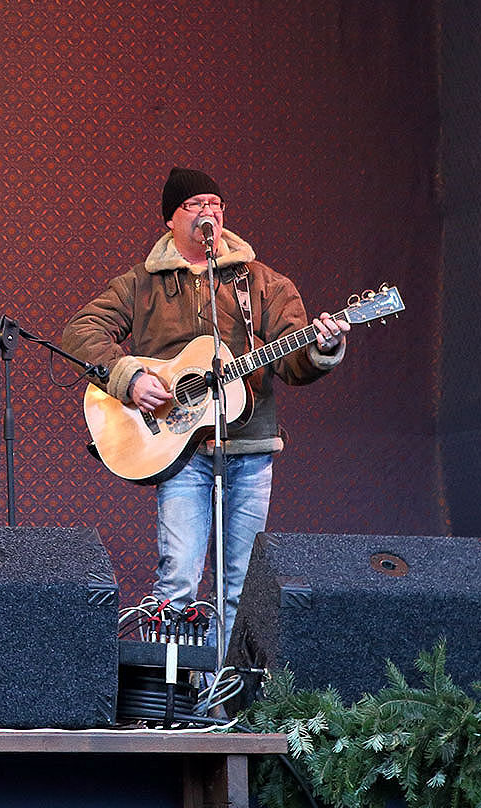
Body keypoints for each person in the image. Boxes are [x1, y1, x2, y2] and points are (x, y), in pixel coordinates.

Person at [60, 167, 349, 640]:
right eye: (196, 205)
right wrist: (129, 377)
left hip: (250, 449)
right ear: (171, 220)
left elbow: (295, 363)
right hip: (182, 453)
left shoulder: (261, 282)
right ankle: (175, 700)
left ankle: (224, 697)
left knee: (240, 584)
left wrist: (325, 349)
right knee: (178, 580)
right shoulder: (140, 283)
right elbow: (80, 333)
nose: (209, 212)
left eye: (215, 204)